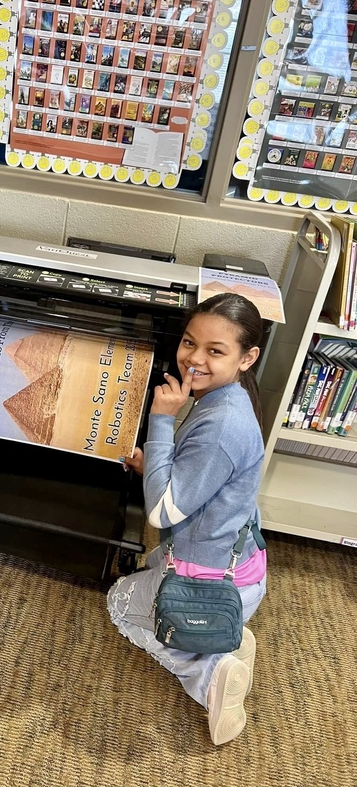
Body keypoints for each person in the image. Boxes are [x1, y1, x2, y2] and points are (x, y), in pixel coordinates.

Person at [108, 293, 267, 746]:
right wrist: (155, 465)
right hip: (238, 563)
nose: (194, 358)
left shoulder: (219, 424)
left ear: (247, 357)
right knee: (154, 568)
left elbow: (160, 512)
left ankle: (210, 671)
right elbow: (201, 479)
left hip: (213, 580)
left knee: (120, 603)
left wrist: (160, 422)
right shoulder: (231, 400)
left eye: (215, 351)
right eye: (188, 342)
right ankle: (225, 639)